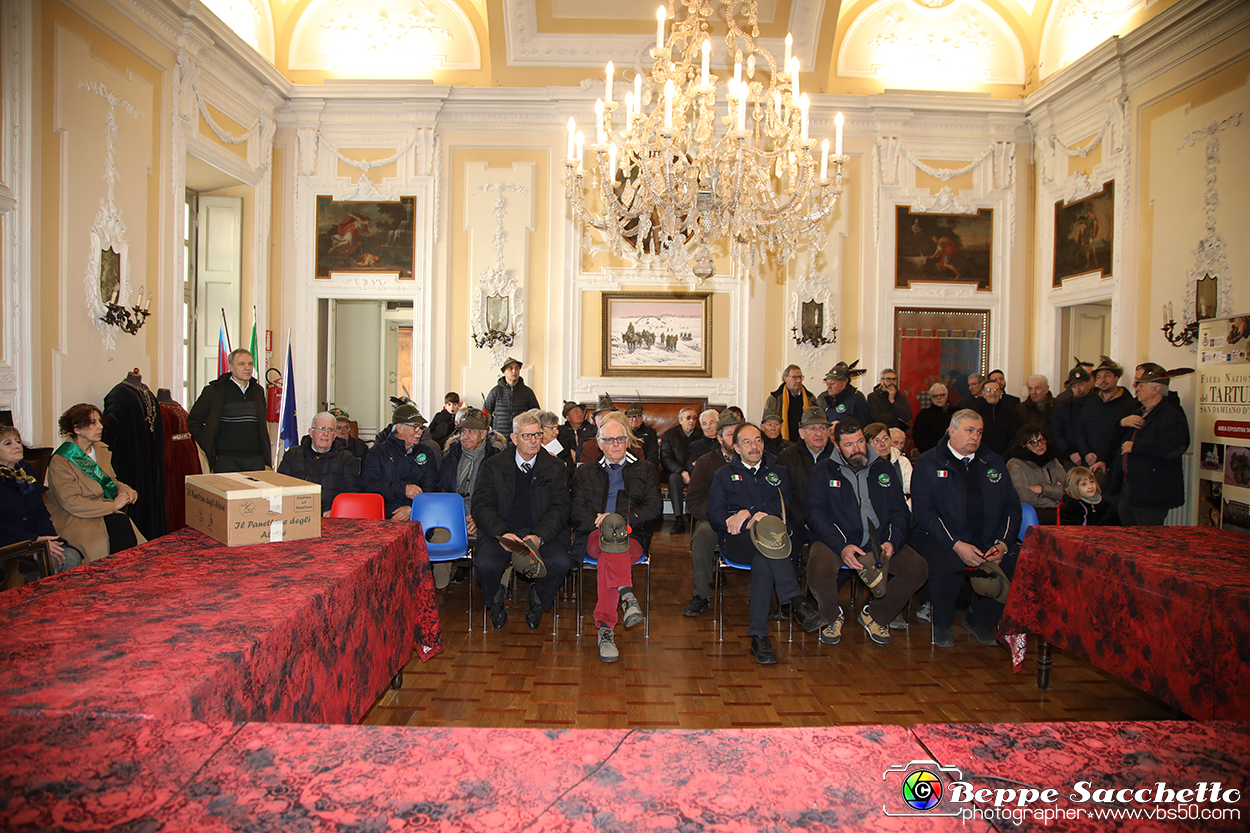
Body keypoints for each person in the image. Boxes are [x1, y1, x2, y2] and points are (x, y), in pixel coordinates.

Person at [707, 423, 826, 664]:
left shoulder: (778, 472)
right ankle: (797, 602)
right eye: (747, 442)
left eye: (758, 441)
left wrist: (748, 513)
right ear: (736, 448)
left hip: (772, 541)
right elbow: (715, 515)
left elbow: (783, 507)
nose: (755, 446)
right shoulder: (724, 475)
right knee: (770, 554)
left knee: (764, 559)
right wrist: (751, 515)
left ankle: (759, 637)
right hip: (738, 541)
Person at [805, 419, 929, 646]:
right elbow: (814, 513)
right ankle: (832, 617)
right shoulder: (822, 470)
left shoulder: (884, 468)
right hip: (837, 539)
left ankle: (876, 615)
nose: (857, 449)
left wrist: (893, 541)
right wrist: (841, 546)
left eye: (860, 441)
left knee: (917, 569)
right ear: (837, 445)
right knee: (818, 568)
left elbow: (899, 511)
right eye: (850, 444)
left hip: (879, 538)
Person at [910, 409, 1021, 648]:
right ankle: (943, 624)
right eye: (969, 430)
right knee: (948, 562)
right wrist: (957, 545)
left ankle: (980, 619)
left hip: (988, 538)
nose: (975, 437)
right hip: (942, 538)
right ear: (952, 430)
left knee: (1026, 564)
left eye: (979, 432)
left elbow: (1012, 507)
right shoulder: (929, 462)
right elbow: (924, 513)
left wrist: (1002, 543)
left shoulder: (993, 461)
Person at [570, 412, 662, 661]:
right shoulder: (585, 471)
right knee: (609, 549)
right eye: (609, 440)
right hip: (594, 534)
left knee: (608, 558)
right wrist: (599, 519)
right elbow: (576, 509)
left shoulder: (644, 469)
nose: (615, 445)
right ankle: (627, 595)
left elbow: (655, 507)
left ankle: (606, 629)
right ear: (599, 443)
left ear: (628, 441)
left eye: (620, 439)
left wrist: (620, 520)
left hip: (632, 535)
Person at [470, 411, 573, 631]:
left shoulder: (555, 468)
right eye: (527, 436)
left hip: (542, 532)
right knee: (484, 563)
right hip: (503, 531)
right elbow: (481, 506)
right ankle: (495, 599)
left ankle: (538, 599)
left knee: (561, 562)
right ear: (514, 438)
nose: (534, 440)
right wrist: (502, 533)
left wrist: (539, 536)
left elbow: (561, 508)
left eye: (537, 435)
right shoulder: (493, 466)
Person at [44, 403, 145, 563]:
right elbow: (71, 502)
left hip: (100, 508)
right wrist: (111, 506)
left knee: (123, 525)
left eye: (99, 421)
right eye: (93, 423)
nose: (100, 427)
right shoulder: (61, 461)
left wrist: (126, 490)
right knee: (103, 539)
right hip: (74, 516)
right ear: (77, 429)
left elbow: (110, 480)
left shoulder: (99, 450)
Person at [1110, 363, 1191, 526]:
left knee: (1147, 543)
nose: (1136, 388)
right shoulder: (1137, 413)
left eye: (1141, 385)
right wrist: (1121, 424)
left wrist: (1136, 446)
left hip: (1152, 494)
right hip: (1129, 489)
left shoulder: (1171, 416)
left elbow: (1173, 448)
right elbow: (1114, 440)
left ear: (1155, 389)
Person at [681, 410, 744, 618]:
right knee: (703, 535)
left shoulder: (757, 460)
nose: (735, 439)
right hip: (715, 518)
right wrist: (720, 516)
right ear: (719, 437)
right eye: (729, 434)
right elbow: (693, 500)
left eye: (738, 433)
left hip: (750, 518)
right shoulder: (706, 462)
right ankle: (702, 594)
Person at [436, 407, 504, 597]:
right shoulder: (452, 455)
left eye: (471, 432)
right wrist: (454, 517)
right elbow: (442, 488)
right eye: (462, 431)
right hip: (454, 514)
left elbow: (501, 495)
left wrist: (479, 518)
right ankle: (441, 585)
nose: (465, 437)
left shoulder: (497, 457)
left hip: (485, 514)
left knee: (501, 537)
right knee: (440, 535)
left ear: (483, 434)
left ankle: (500, 590)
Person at [0, 425, 81, 583]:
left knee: (70, 556)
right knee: (49, 561)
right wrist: (35, 541)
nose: (17, 445)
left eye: (17, 441)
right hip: (9, 544)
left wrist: (50, 540)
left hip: (36, 541)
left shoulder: (26, 471)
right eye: (7, 443)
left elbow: (40, 513)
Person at [188, 348, 271, 473]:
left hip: (255, 459)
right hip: (226, 459)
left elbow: (261, 425)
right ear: (230, 367)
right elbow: (193, 421)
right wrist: (208, 443)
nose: (247, 368)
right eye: (241, 364)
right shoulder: (214, 391)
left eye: (250, 364)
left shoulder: (258, 391)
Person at [776, 406, 833, 571]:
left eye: (823, 428)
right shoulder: (786, 457)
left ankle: (817, 595)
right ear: (802, 433)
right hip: (798, 521)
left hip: (830, 522)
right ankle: (791, 594)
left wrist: (822, 522)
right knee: (787, 543)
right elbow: (784, 495)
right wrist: (807, 519)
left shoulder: (838, 458)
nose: (819, 433)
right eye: (813, 428)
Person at [362, 404, 438, 521]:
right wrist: (403, 489)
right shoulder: (377, 453)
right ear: (399, 428)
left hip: (419, 516)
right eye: (415, 427)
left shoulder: (427, 452)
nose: (419, 432)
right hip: (384, 517)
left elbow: (431, 487)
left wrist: (413, 509)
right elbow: (369, 486)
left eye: (421, 427)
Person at [277, 412, 362, 514]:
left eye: (330, 430)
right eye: (321, 428)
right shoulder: (293, 455)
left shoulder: (346, 458)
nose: (325, 433)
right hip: (297, 515)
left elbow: (353, 494)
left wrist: (335, 511)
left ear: (334, 436)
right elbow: (279, 489)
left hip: (331, 516)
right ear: (311, 432)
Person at [1076, 356, 1137, 491]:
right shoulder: (1090, 403)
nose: (1102, 380)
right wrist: (1086, 452)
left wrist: (1105, 457)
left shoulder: (1128, 404)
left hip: (1115, 464)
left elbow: (1123, 435)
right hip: (1089, 462)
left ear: (1116, 378)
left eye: (1107, 376)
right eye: (1099, 377)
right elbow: (1080, 430)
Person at [1005, 424, 1065, 525]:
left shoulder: (1054, 461)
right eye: (1034, 442)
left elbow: (1068, 490)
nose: (1040, 445)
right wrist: (1056, 502)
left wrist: (1043, 489)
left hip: (1058, 511)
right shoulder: (1015, 463)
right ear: (1024, 445)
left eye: (1042, 440)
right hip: (1033, 512)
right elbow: (1024, 496)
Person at [660, 407, 701, 534]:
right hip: (673, 471)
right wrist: (681, 471)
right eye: (688, 418)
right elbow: (665, 459)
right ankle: (679, 519)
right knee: (674, 478)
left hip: (695, 471)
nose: (692, 420)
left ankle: (699, 517)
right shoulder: (670, 435)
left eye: (694, 418)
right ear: (680, 420)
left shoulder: (701, 435)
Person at [483, 357, 540, 435]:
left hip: (521, 435)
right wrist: (495, 425)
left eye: (517, 368)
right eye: (510, 368)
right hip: (500, 437)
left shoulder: (527, 392)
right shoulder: (496, 391)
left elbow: (536, 414)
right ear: (504, 372)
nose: (514, 371)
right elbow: (485, 413)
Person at [1051, 364, 1093, 469]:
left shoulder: (1097, 404)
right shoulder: (1064, 406)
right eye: (1074, 386)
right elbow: (1057, 432)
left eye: (1081, 385)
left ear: (1089, 383)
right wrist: (1069, 452)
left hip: (1093, 457)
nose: (1078, 389)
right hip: (1071, 458)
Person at [763, 365, 817, 442]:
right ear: (785, 378)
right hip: (782, 441)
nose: (798, 380)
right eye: (794, 377)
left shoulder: (810, 398)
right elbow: (767, 423)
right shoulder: (775, 399)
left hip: (804, 441)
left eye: (800, 377)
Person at [865, 422, 912, 504]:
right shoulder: (862, 465)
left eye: (885, 439)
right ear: (867, 445)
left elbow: (913, 488)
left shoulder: (902, 462)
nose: (883, 444)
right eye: (876, 441)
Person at [972, 379, 1019, 455]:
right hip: (981, 455)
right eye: (989, 390)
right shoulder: (975, 412)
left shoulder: (1011, 412)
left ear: (1001, 392)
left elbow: (1014, 436)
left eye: (996, 390)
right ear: (983, 393)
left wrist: (1006, 455)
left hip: (1006, 456)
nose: (993, 393)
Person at [536, 409, 576, 487]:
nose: (557, 432)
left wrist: (558, 465)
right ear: (540, 429)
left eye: (557, 428)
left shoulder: (563, 448)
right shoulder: (532, 449)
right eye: (552, 428)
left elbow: (570, 476)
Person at [912, 383, 955, 453]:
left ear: (947, 396)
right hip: (931, 453)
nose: (939, 398)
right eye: (935, 396)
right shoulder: (924, 415)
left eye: (942, 395)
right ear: (931, 398)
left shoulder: (956, 413)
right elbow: (919, 438)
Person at [865, 368, 912, 432]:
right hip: (880, 432)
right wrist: (897, 415)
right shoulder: (873, 397)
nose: (892, 382)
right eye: (888, 379)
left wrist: (892, 401)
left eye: (894, 379)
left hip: (898, 433)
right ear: (881, 381)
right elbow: (877, 418)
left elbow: (907, 417)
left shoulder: (901, 398)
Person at [625, 403, 659, 471]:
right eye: (631, 416)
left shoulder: (650, 432)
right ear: (627, 419)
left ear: (642, 418)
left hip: (645, 468)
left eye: (637, 416)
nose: (634, 419)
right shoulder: (622, 432)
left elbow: (652, 455)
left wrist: (646, 469)